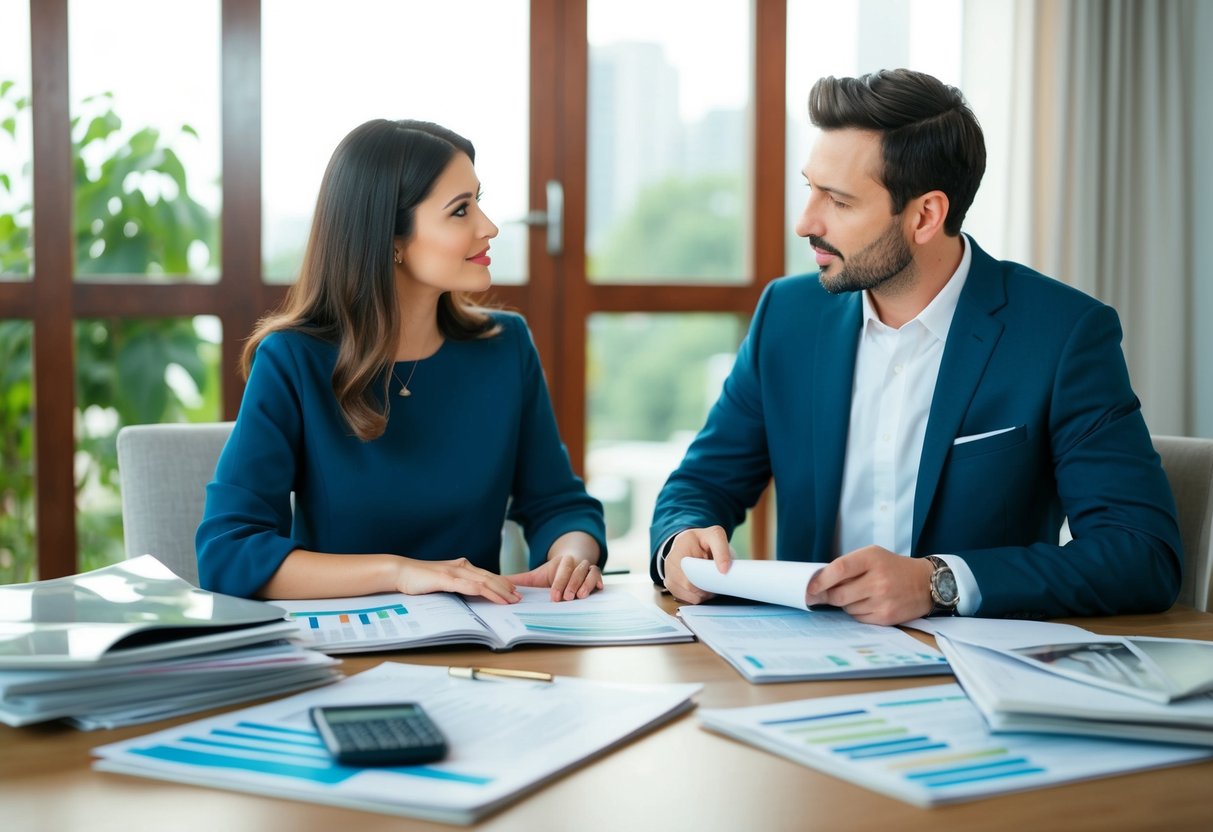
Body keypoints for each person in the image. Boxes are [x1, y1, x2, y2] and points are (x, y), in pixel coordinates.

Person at [650, 68, 1182, 624]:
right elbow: (700, 483)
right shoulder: (788, 316)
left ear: (926, 215)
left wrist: (939, 582)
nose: (805, 222)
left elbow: (1141, 553)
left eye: (839, 201)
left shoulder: (1063, 334)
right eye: (811, 188)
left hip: (975, 675)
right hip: (801, 667)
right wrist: (680, 540)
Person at [197, 119, 606, 603]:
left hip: (484, 643)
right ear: (390, 239)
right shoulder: (293, 360)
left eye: (479, 201)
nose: (489, 227)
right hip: (348, 650)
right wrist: (400, 572)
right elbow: (228, 552)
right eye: (460, 211)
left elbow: (559, 503)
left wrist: (571, 556)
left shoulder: (506, 345)